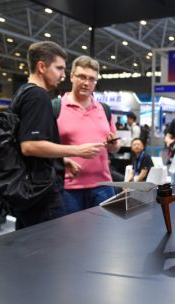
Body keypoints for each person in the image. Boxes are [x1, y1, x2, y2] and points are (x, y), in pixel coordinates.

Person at [11, 41, 104, 229]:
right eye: (59, 68)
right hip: (39, 190)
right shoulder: (38, 96)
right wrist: (76, 150)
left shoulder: (23, 92)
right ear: (42, 67)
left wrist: (62, 159)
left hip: (29, 187)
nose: (62, 74)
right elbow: (29, 146)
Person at [56, 55, 121, 215]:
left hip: (103, 187)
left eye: (92, 79)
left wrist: (113, 145)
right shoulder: (56, 107)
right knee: (71, 238)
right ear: (71, 76)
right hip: (68, 190)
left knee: (103, 238)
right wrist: (64, 159)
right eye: (82, 77)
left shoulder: (104, 109)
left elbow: (115, 148)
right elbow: (44, 148)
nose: (86, 83)